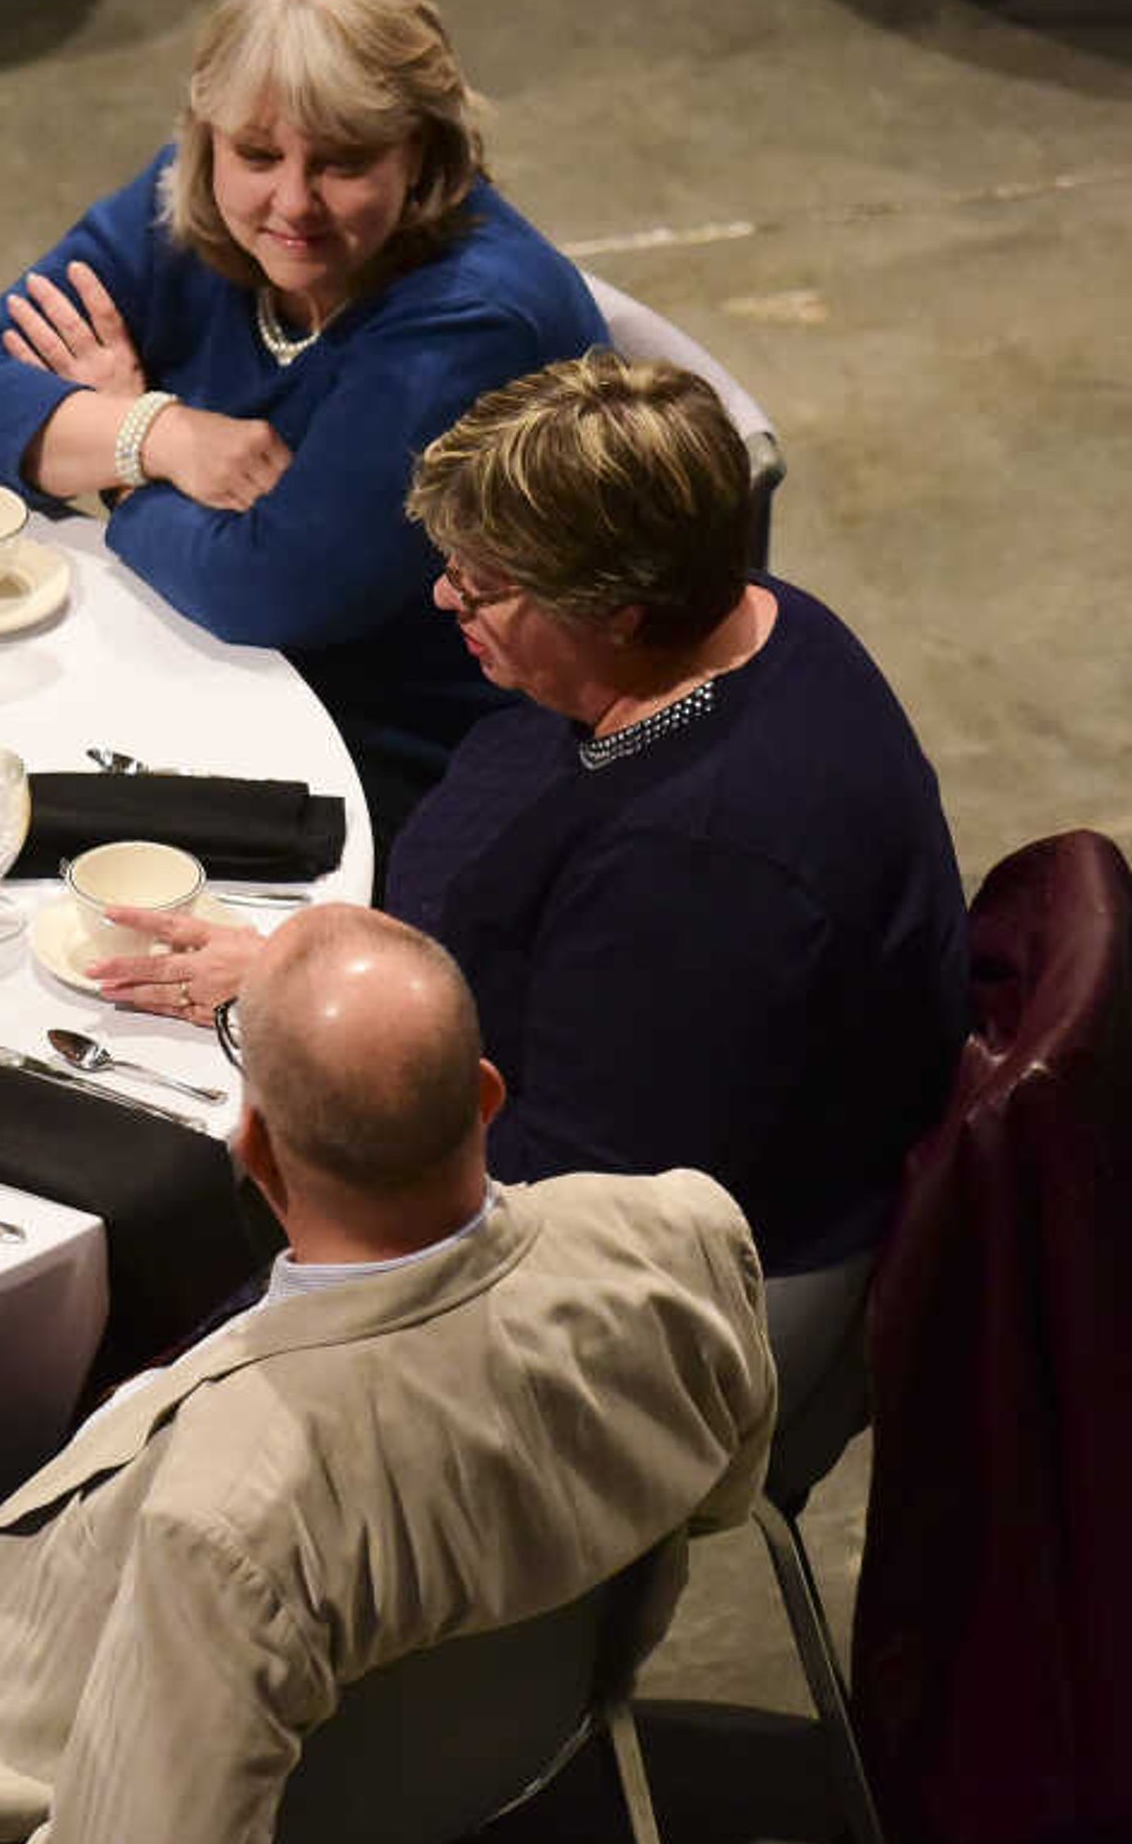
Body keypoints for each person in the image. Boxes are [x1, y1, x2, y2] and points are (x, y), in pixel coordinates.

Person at [0, 908, 775, 1844]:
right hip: (513, 1734)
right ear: (484, 1093)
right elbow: (715, 1498)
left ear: (256, 1151)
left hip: (75, 1749)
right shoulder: (681, 1235)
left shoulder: (227, 1509)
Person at [85, 352, 971, 1278]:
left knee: (155, 1237)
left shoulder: (703, 869)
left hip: (633, 1277)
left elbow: (562, 1205)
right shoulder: (733, 617)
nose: (444, 595)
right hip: (483, 1086)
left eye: (485, 585)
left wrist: (327, 1039)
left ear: (621, 609)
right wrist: (314, 976)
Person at [0, 0, 605, 834]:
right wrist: (157, 434)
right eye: (257, 154)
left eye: (344, 162)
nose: (291, 204)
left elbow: (271, 588)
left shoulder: (471, 320)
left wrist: (113, 470)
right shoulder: (190, 199)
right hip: (203, 664)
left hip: (407, 757)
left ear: (424, 154)